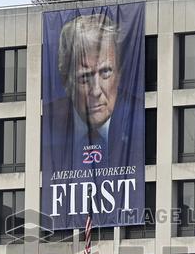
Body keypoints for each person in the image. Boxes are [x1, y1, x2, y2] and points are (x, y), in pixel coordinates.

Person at [43, 12, 138, 174]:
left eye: (106, 72)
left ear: (119, 75)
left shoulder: (140, 116)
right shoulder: (47, 123)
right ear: (67, 82)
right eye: (85, 76)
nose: (96, 91)